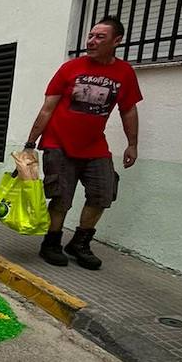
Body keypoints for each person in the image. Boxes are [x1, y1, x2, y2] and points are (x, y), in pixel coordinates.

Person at [24, 15, 141, 271]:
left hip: (95, 147)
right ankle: (51, 244)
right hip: (59, 143)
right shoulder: (70, 68)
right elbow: (47, 108)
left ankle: (79, 243)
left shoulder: (124, 73)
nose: (92, 41)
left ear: (116, 41)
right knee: (61, 198)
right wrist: (31, 142)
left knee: (102, 194)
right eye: (91, 35)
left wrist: (132, 144)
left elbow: (128, 110)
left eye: (100, 37)